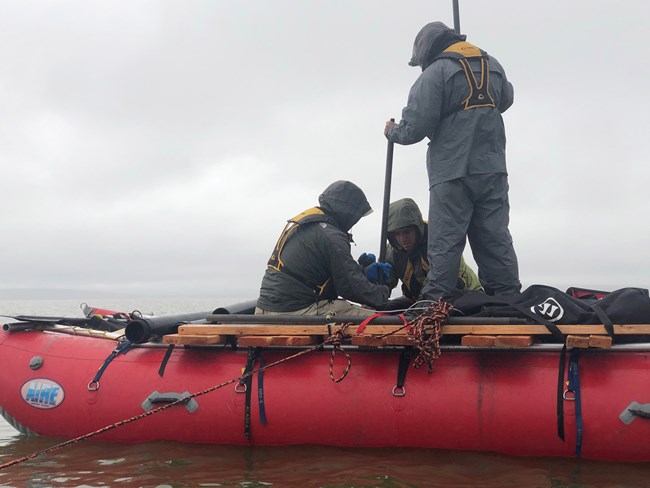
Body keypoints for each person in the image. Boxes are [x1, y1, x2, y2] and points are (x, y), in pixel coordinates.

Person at [384, 21, 521, 300]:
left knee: (445, 241)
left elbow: (414, 128)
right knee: (495, 238)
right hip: (492, 169)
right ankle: (507, 300)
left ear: (426, 52)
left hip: (452, 171)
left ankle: (434, 303)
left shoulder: (435, 73)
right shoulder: (492, 65)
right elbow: (505, 99)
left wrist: (391, 132)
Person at [256, 180, 391, 316]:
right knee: (376, 318)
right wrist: (382, 294)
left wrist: (363, 272)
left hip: (263, 309)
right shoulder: (332, 236)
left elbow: (329, 276)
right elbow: (350, 287)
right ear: (349, 213)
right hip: (295, 310)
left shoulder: (307, 223)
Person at [382, 198, 482, 303]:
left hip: (466, 294)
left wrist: (421, 307)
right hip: (422, 301)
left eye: (407, 232)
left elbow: (447, 281)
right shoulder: (391, 253)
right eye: (397, 234)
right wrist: (374, 284)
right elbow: (384, 284)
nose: (402, 239)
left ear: (417, 228)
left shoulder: (440, 240)